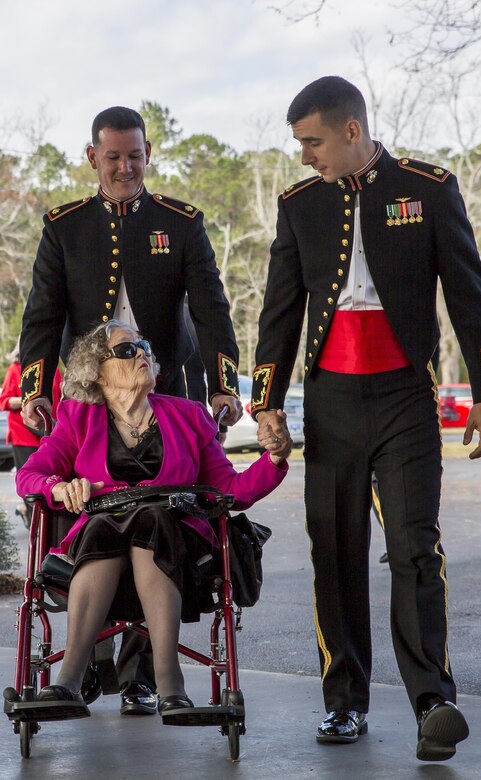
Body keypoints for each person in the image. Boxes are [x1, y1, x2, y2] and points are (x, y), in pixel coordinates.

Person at [251, 76, 481, 762]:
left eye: (312, 142)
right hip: (331, 399)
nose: (305, 155)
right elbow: (279, 310)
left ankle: (434, 702)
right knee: (333, 555)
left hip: (404, 398)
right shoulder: (299, 205)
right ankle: (344, 703)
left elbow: (467, 289)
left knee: (415, 549)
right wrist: (266, 402)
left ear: (351, 131)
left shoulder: (429, 186)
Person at [19, 105, 243, 717]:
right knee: (89, 511)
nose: (125, 167)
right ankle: (87, 664)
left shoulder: (181, 222)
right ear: (93, 157)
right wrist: (36, 390)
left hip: (166, 391)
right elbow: (42, 315)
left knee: (159, 516)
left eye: (135, 156)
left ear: (149, 154)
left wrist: (223, 386)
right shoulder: (64, 227)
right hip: (90, 394)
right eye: (113, 156)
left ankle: (142, 676)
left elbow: (212, 310)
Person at [12, 321, 291, 721]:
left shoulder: (189, 415)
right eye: (126, 350)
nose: (141, 353)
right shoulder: (78, 418)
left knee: (152, 516)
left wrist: (276, 457)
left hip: (175, 543)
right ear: (98, 372)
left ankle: (168, 681)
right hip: (101, 545)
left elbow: (231, 489)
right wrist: (59, 487)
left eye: (143, 346)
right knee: (106, 523)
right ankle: (68, 681)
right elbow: (29, 476)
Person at [0, 339, 62, 528]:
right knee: (30, 483)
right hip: (24, 435)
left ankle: (39, 518)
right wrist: (29, 400)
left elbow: (59, 401)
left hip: (49, 434)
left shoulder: (54, 371)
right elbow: (5, 401)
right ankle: (35, 522)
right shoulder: (15, 370)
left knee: (52, 478)